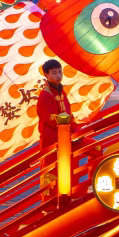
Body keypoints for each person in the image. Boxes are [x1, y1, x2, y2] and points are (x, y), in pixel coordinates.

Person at [37, 57, 77, 200]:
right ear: (46, 75)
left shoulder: (61, 92)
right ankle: (49, 203)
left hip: (66, 137)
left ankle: (75, 193)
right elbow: (50, 119)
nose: (58, 76)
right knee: (51, 170)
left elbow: (69, 114)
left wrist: (76, 131)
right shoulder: (45, 95)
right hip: (51, 139)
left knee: (90, 149)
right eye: (54, 73)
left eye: (60, 72)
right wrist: (67, 123)